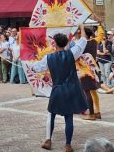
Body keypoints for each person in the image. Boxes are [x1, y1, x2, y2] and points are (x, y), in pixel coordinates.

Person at [33, 23, 88, 152]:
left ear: (54, 43)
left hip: (57, 89)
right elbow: (83, 40)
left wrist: (29, 63)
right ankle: (68, 145)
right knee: (68, 117)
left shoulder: (48, 58)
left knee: (51, 114)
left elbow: (36, 67)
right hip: (72, 89)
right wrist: (82, 27)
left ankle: (48, 140)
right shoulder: (72, 53)